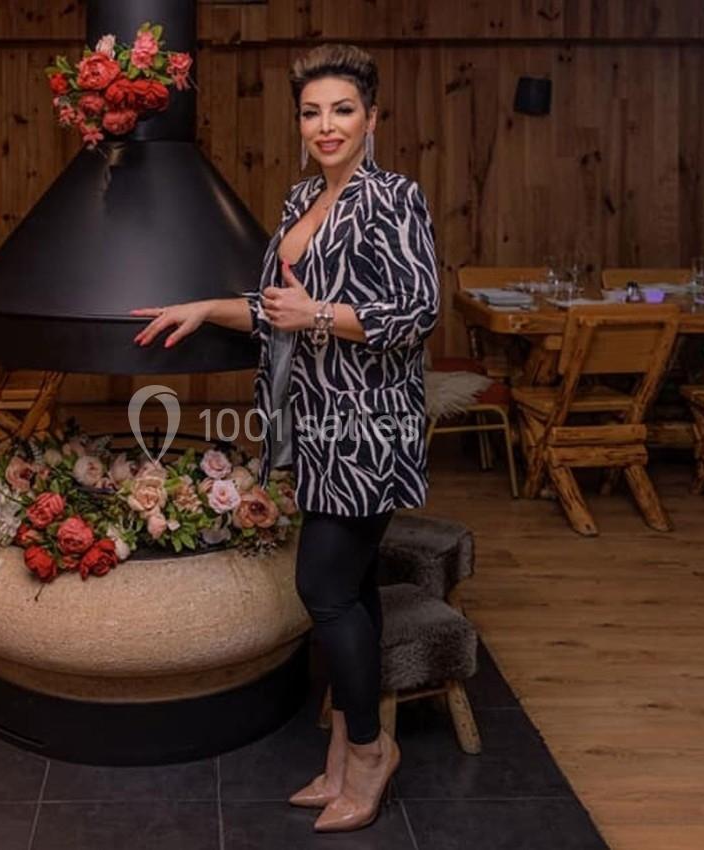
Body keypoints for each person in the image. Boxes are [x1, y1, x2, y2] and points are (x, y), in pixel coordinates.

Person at [130, 43, 440, 833]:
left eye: (342, 109)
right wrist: (207, 307)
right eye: (312, 112)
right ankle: (346, 749)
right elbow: (277, 307)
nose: (326, 125)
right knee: (355, 590)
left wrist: (322, 317)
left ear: (372, 117)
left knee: (324, 590)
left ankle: (371, 752)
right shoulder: (302, 198)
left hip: (369, 428)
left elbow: (418, 313)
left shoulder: (392, 198)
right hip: (312, 427)